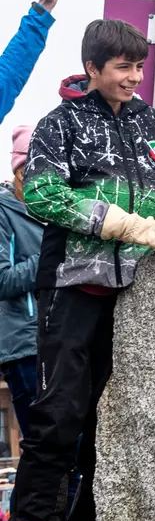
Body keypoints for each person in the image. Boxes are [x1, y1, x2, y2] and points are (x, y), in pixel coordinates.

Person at [2, 19, 155, 521]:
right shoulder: (59, 124)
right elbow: (41, 194)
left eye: (138, 66)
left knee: (113, 415)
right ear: (92, 68)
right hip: (71, 283)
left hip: (137, 290)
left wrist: (147, 232)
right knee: (59, 407)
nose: (133, 76)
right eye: (122, 67)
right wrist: (116, 222)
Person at [0, 127, 44, 449]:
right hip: (24, 347)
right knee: (45, 449)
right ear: (19, 170)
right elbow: (2, 281)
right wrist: (52, 257)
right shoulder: (3, 213)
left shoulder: (55, 213)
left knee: (69, 450)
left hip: (61, 341)